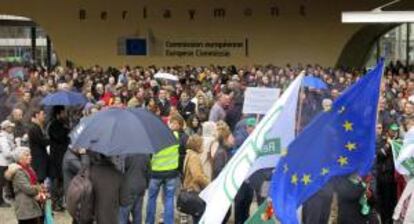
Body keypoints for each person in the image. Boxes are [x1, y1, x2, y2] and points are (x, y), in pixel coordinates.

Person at [145, 117, 181, 224]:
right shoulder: (175, 136)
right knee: (169, 199)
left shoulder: (153, 138)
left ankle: (149, 221)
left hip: (156, 173)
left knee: (152, 198)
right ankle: (168, 222)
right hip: (171, 173)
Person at [5, 147, 47, 224]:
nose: (30, 157)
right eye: (26, 155)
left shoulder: (28, 168)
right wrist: (39, 188)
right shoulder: (18, 172)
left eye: (30, 154)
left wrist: (41, 189)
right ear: (19, 158)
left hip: (32, 204)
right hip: (25, 206)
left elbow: (34, 184)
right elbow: (28, 189)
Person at [182, 135, 210, 223]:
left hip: (190, 188)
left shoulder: (189, 154)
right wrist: (208, 183)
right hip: (195, 189)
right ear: (197, 145)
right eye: (201, 144)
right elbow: (197, 176)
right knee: (199, 217)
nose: (203, 146)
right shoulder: (194, 157)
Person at [89, 151, 122, 224]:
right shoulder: (118, 174)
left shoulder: (91, 172)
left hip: (95, 218)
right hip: (112, 218)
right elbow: (124, 200)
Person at [48, 106, 70, 211]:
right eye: (63, 113)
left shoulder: (63, 124)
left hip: (63, 156)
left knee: (62, 180)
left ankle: (60, 202)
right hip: (56, 157)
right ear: (58, 114)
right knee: (55, 181)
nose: (65, 114)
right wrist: (66, 131)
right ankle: (55, 203)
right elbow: (59, 138)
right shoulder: (53, 125)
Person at [119, 154, 150, 224]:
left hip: (127, 189)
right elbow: (148, 172)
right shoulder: (146, 154)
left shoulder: (126, 153)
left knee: (123, 216)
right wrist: (146, 184)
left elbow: (121, 170)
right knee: (137, 215)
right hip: (140, 187)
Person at [27, 108, 49, 184]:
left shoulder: (37, 126)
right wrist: (51, 140)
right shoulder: (34, 128)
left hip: (40, 157)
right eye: (42, 114)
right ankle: (41, 195)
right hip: (38, 159)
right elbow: (42, 142)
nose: (44, 116)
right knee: (39, 179)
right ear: (37, 115)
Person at [0, 120, 16, 207]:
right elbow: (6, 153)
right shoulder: (3, 138)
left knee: (5, 182)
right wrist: (16, 153)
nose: (12, 128)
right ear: (6, 128)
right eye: (10, 127)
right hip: (3, 163)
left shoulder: (6, 137)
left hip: (5, 162)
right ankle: (1, 201)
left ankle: (6, 198)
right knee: (1, 183)